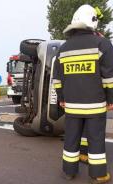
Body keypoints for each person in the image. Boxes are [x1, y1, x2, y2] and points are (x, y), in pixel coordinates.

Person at [53, 4, 112, 183]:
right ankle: (98, 174)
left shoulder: (63, 49)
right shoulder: (102, 44)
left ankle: (69, 171)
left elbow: (57, 79)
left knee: (71, 138)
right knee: (96, 138)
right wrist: (110, 99)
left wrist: (61, 99)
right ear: (93, 22)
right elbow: (109, 77)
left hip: (71, 105)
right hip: (95, 105)